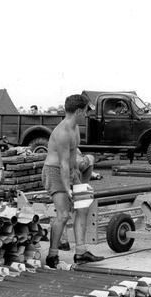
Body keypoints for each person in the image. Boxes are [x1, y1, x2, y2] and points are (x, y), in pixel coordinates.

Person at [42, 94, 104, 268]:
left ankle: (81, 252)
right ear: (78, 110)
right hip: (55, 172)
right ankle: (52, 256)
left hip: (71, 170)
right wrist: (67, 188)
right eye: (85, 111)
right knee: (62, 215)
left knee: (82, 208)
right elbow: (62, 163)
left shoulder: (75, 127)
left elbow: (72, 155)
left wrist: (78, 176)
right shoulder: (62, 132)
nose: (86, 114)